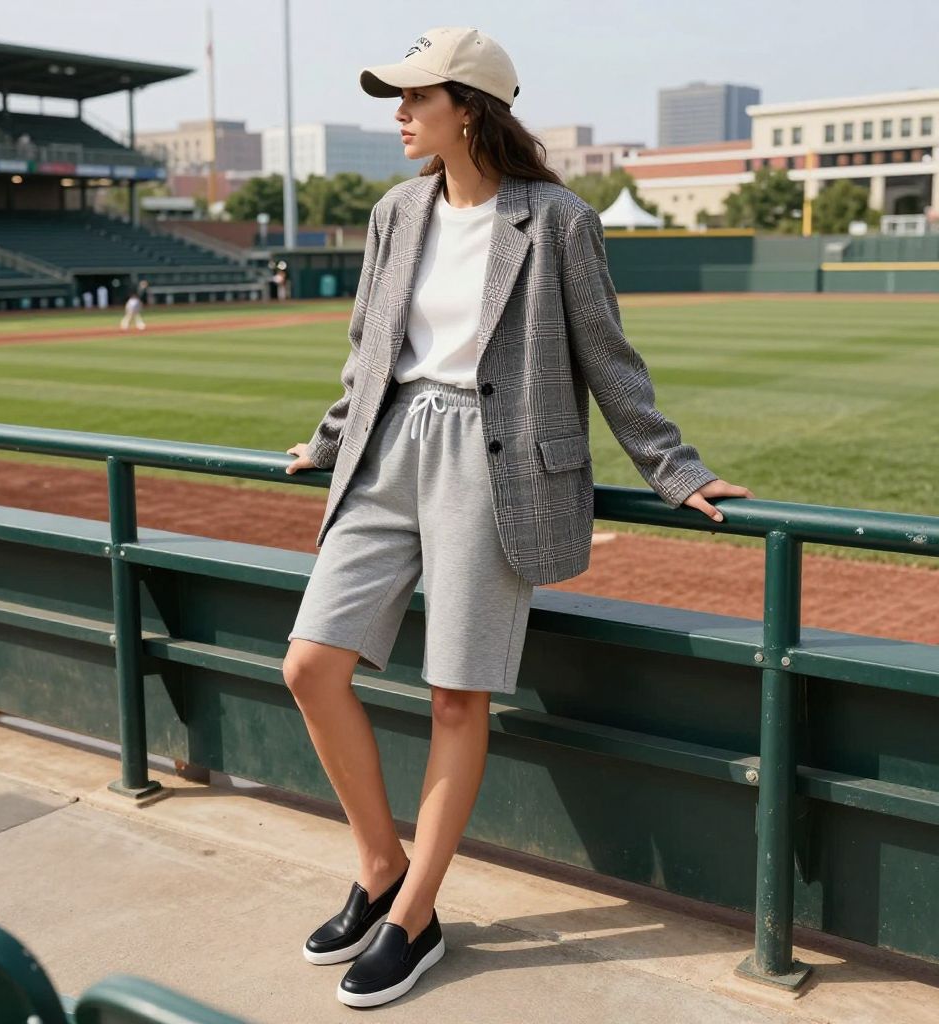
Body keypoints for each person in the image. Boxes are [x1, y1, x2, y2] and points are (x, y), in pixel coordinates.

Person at [282, 26, 752, 1009]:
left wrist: (675, 468)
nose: (400, 116)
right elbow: (369, 351)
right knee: (310, 664)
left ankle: (413, 917)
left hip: (494, 466)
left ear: (470, 107)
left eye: (415, 99)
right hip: (389, 448)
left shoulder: (560, 220)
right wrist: (329, 439)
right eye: (397, 100)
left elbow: (608, 362)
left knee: (458, 693)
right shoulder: (392, 212)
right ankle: (378, 868)